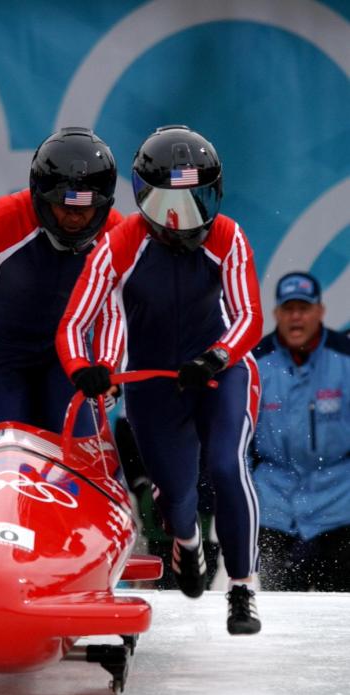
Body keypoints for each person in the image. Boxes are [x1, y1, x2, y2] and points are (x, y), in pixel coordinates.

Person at [56, 125, 264, 634]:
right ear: (145, 199)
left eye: (195, 200)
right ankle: (187, 542)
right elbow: (73, 323)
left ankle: (242, 587)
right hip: (154, 384)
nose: (184, 218)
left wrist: (216, 357)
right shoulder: (120, 244)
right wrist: (84, 368)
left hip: (219, 373)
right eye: (170, 204)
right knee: (175, 494)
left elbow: (249, 317)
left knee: (225, 465)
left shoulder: (228, 236)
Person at [0, 126, 123, 434]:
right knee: (11, 448)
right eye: (65, 206)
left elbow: (112, 311)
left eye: (86, 208)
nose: (75, 218)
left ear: (103, 204)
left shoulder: (114, 231)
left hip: (66, 358)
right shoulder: (2, 217)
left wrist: (106, 366)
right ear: (41, 198)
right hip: (1, 357)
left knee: (80, 449)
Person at [251, 272, 350, 590]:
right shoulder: (255, 364)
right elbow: (236, 441)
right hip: (275, 509)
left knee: (341, 611)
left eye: (304, 308)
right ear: (276, 313)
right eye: (288, 308)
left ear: (320, 311)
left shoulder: (345, 357)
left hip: (340, 509)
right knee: (282, 612)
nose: (296, 317)